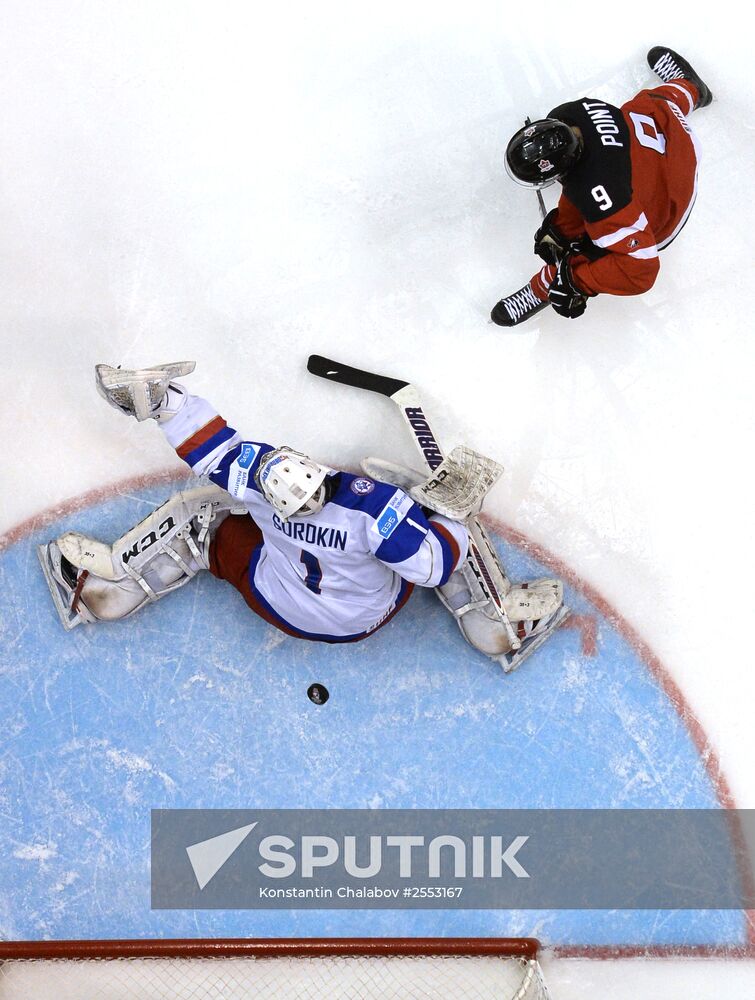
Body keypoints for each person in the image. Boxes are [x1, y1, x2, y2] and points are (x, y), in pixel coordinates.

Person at [38, 362, 567, 670]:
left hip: (280, 601)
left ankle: (105, 587)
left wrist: (163, 401)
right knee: (440, 539)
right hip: (365, 617)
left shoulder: (258, 481)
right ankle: (495, 624)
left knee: (201, 514)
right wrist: (451, 513)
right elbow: (430, 568)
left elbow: (208, 445)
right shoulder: (372, 509)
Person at [491, 46, 712, 327]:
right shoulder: (575, 115)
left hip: (668, 197)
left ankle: (545, 286)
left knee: (590, 251)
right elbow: (583, 180)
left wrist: (577, 282)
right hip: (666, 133)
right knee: (646, 105)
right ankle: (691, 88)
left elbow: (641, 269)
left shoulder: (607, 201)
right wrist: (561, 229)